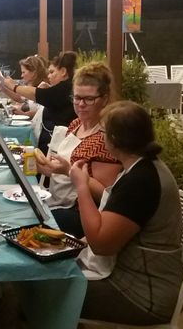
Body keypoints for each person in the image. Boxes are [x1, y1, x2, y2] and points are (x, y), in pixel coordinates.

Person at [69, 100, 183, 325]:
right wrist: (69, 247)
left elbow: (101, 245)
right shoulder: (141, 167)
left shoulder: (141, 181)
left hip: (140, 294)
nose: (101, 137)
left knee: (44, 289)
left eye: (103, 132)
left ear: (114, 140)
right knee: (49, 274)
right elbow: (107, 225)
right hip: (139, 280)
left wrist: (82, 186)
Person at [35, 62, 121, 237]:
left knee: (29, 222)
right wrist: (45, 167)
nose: (81, 104)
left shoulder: (106, 138)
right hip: (57, 200)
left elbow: (104, 196)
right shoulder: (76, 124)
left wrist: (68, 171)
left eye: (88, 99)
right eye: (76, 97)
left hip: (80, 213)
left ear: (105, 99)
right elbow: (61, 171)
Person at [2, 51, 78, 173]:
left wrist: (13, 86)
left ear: (63, 72)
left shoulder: (64, 88)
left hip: (57, 151)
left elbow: (36, 94)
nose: (49, 76)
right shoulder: (60, 89)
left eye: (52, 72)